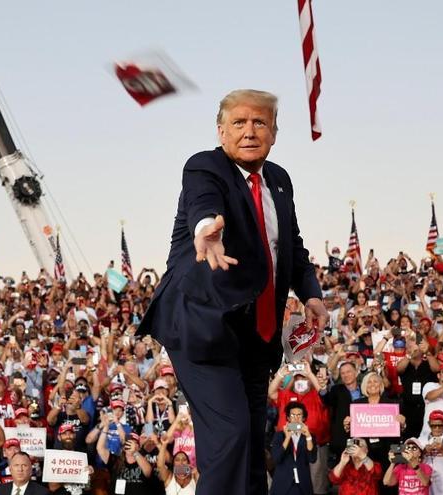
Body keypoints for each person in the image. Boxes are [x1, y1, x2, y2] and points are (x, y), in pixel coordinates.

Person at [137, 89, 326, 495]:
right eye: (239, 123)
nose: (249, 131)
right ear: (221, 131)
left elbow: (290, 245)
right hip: (200, 327)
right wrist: (207, 228)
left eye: (260, 122)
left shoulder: (279, 180)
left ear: (274, 132)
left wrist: (310, 293)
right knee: (231, 434)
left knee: (252, 443)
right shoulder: (205, 167)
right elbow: (204, 205)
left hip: (256, 336)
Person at [269, 402, 316, 495]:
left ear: (304, 418)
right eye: (293, 415)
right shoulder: (279, 436)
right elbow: (276, 458)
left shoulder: (310, 436)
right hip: (283, 483)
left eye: (299, 415)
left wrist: (308, 437)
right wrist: (287, 437)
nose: (296, 418)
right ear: (288, 418)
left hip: (302, 484)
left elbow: (312, 459)